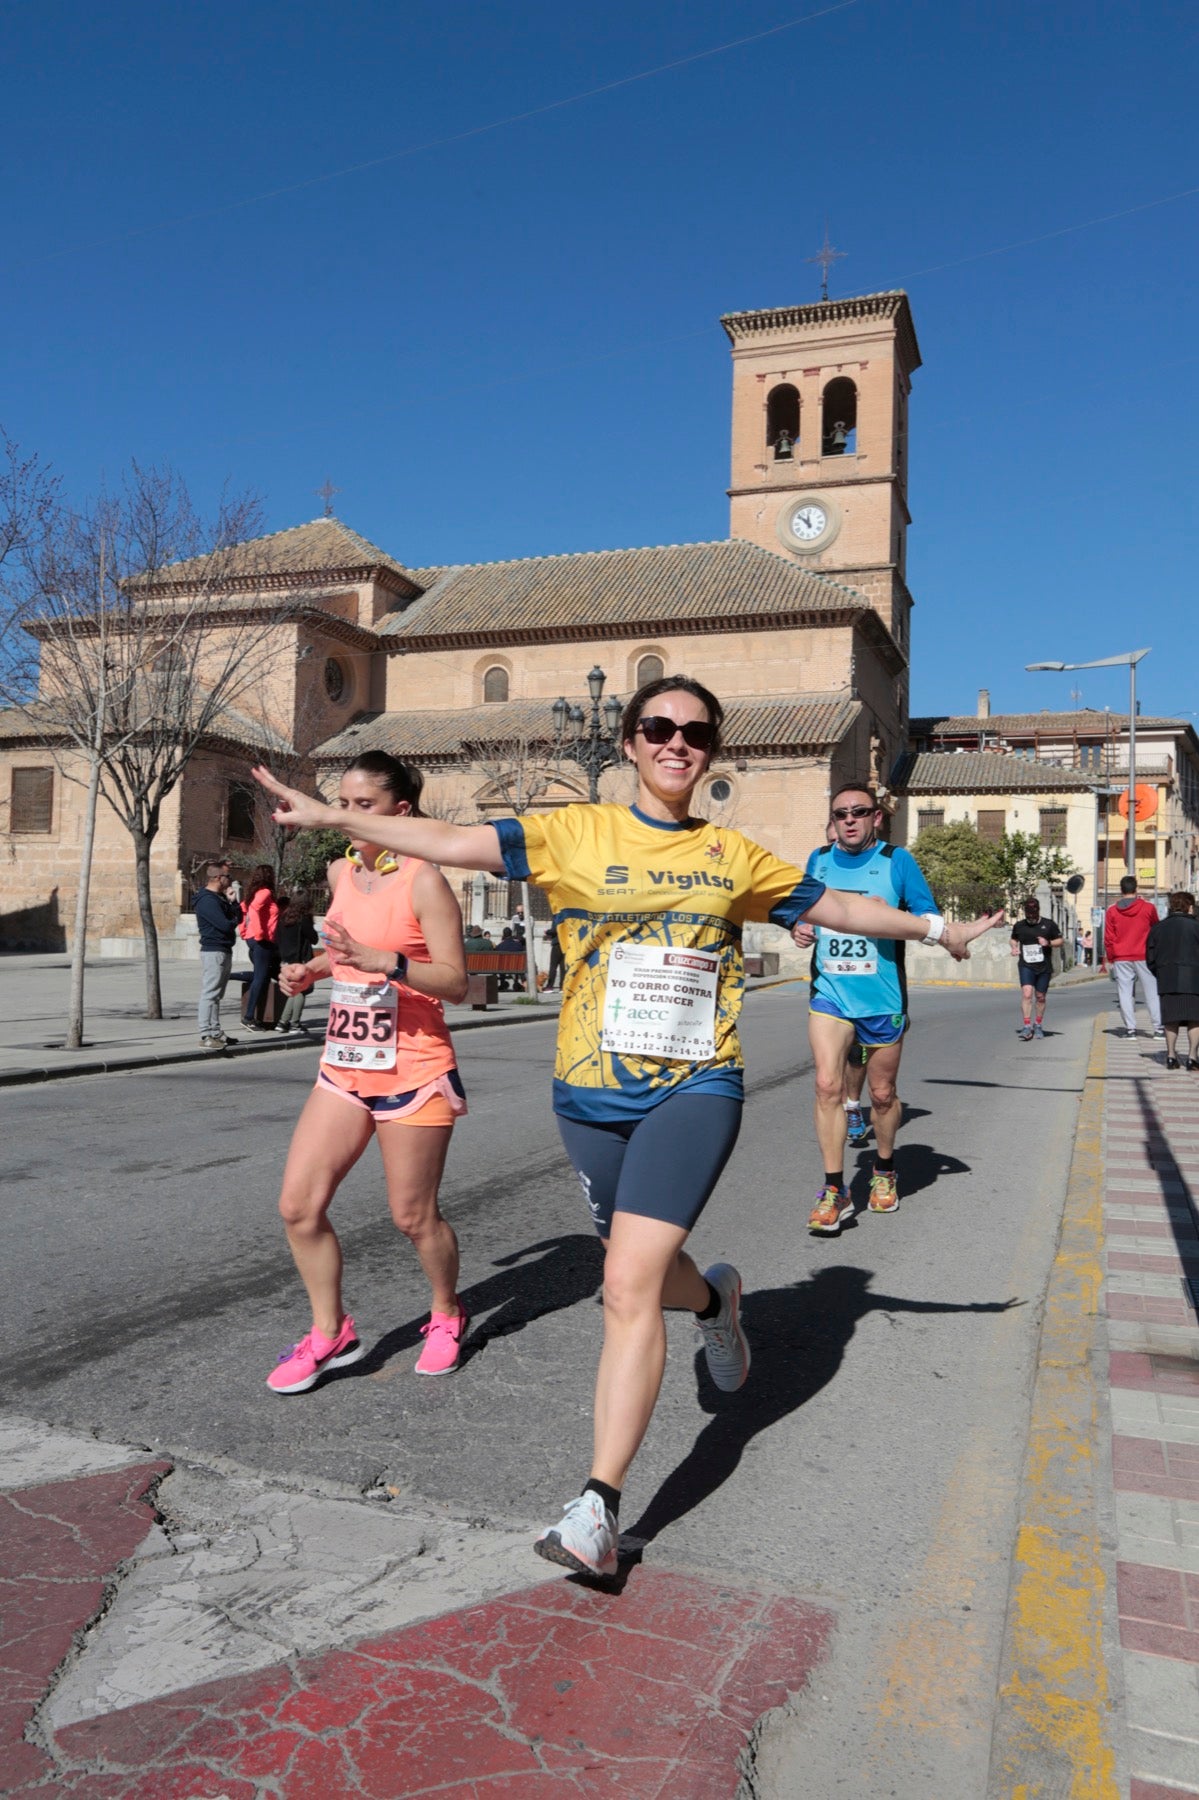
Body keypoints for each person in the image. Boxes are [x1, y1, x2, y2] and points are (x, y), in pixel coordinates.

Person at [252, 675, 1002, 1578]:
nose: (677, 742)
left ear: (711, 749)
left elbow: (838, 908)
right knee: (641, 1272)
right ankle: (717, 1302)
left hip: (694, 1088)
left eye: (695, 731)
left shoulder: (733, 856)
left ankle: (595, 1505)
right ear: (629, 742)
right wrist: (330, 820)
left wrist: (934, 927)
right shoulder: (572, 833)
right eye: (658, 727)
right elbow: (446, 839)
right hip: (587, 1095)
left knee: (623, 1287)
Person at [264, 750, 471, 1395]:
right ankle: (331, 1332)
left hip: (413, 1069)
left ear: (400, 813)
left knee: (413, 1218)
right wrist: (313, 971)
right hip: (346, 1065)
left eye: (363, 806)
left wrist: (386, 960)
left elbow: (457, 983)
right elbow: (341, 950)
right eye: (343, 803)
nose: (347, 817)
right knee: (298, 1206)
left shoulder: (425, 880)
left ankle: (445, 1313)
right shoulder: (341, 872)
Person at [793, 785, 946, 1235]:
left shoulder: (897, 861)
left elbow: (929, 918)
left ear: (875, 817)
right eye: (841, 814)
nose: (850, 820)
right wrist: (800, 928)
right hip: (830, 992)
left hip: (881, 998)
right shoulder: (818, 860)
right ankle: (835, 1189)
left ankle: (883, 1169)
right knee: (827, 1084)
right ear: (834, 819)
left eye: (859, 812)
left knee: (882, 1094)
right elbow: (803, 910)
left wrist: (887, 915)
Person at [1104, 876, 1164, 1040]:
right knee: (1152, 991)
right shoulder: (1148, 908)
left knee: (1124, 993)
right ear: (1136, 889)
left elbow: (1109, 937)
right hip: (1143, 955)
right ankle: (1158, 1029)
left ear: (1121, 889)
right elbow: (1156, 929)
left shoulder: (1112, 911)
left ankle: (1130, 1030)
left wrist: (1110, 957)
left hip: (1121, 955)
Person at [1146, 893, 1199, 1069]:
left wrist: (1160, 973)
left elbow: (1150, 957)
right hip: (1194, 980)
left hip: (1167, 979)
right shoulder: (1196, 926)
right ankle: (1192, 1057)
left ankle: (1170, 1056)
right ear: (1189, 907)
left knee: (1171, 1019)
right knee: (1195, 1019)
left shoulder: (1158, 928)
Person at [193, 862, 240, 1049]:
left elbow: (237, 918)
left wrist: (233, 902)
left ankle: (216, 1031)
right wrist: (233, 918)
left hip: (223, 949)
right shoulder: (206, 900)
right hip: (214, 950)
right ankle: (206, 1034)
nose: (230, 880)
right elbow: (225, 924)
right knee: (210, 993)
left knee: (216, 995)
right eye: (228, 876)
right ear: (218, 878)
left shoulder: (219, 898)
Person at [1010, 896, 1063, 1041]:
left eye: (1033, 915)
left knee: (1040, 997)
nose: (1031, 918)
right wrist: (1014, 947)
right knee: (1027, 994)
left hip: (1044, 967)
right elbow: (1013, 938)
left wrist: (1048, 942)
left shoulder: (1049, 924)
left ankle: (1038, 1024)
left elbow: (1060, 940)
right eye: (1028, 915)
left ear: (1038, 911)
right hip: (1026, 965)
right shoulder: (1019, 925)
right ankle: (1027, 1025)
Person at [240, 864, 280, 1032]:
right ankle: (248, 1018)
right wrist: (260, 932)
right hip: (261, 940)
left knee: (261, 975)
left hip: (254, 938)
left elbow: (243, 908)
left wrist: (244, 931)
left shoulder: (254, 893)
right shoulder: (266, 892)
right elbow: (253, 909)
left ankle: (228, 975)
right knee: (260, 977)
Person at [276, 898, 318, 1034]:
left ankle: (283, 1022)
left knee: (293, 991)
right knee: (301, 990)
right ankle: (294, 1024)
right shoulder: (303, 919)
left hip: (286, 959)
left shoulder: (284, 918)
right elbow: (314, 938)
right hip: (300, 959)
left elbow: (278, 938)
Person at [544, 921, 566, 991]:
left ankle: (550, 986)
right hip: (565, 943)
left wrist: (547, 932)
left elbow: (555, 930)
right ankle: (562, 987)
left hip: (557, 943)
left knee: (553, 966)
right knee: (563, 967)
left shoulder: (558, 917)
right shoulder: (568, 915)